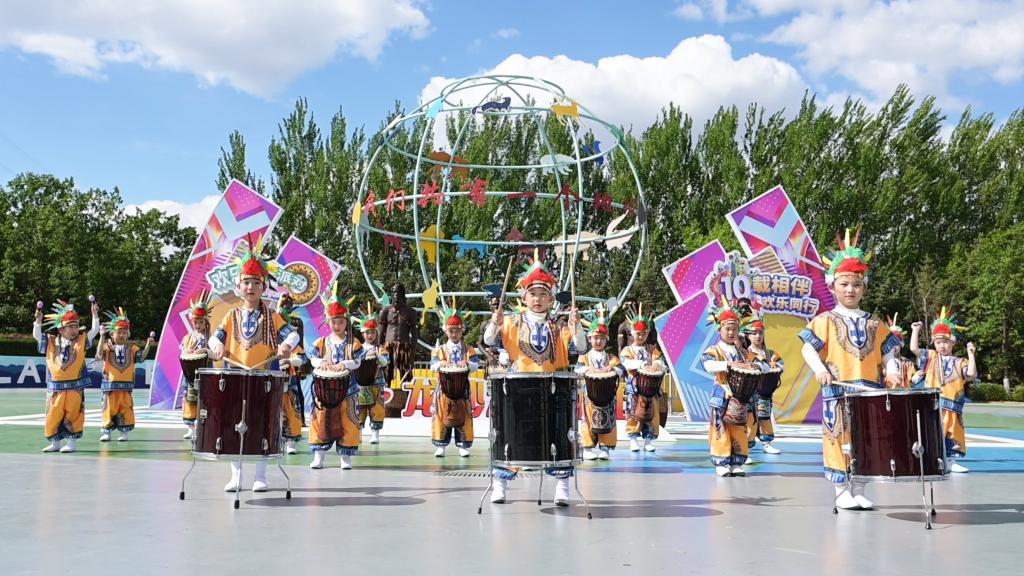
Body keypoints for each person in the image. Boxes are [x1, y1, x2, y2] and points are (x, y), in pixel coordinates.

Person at [798, 229, 901, 510]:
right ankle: (841, 490)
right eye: (844, 284)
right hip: (838, 392)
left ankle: (859, 489)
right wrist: (819, 369)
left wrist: (892, 371)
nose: (850, 290)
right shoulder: (824, 320)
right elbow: (808, 348)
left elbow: (888, 352)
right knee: (838, 439)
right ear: (832, 287)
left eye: (856, 284)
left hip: (869, 393)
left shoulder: (875, 322)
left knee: (867, 442)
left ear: (864, 288)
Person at [483, 251, 586, 505]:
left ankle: (562, 488)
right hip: (519, 390)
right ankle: (500, 485)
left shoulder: (560, 325)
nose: (537, 299)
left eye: (543, 294)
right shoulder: (511, 322)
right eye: (533, 294)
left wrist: (576, 327)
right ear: (524, 297)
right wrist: (494, 323)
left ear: (551, 298)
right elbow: (488, 340)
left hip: (553, 390)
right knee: (510, 434)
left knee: (558, 435)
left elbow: (582, 348)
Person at [208, 238, 299, 492]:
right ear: (238, 287)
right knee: (234, 424)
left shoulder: (272, 316)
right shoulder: (231, 315)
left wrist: (286, 345)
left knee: (262, 424)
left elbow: (292, 335)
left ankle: (261, 476)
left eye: (256, 283)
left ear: (263, 287)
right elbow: (215, 337)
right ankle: (236, 476)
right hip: (236, 377)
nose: (251, 287)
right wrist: (217, 345)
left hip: (264, 378)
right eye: (246, 282)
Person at [909, 307, 977, 473]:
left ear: (953, 342)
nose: (942, 345)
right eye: (938, 342)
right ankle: (931, 461)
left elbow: (970, 374)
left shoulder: (960, 362)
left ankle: (951, 461)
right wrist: (915, 331)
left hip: (953, 406)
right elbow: (914, 349)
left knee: (952, 433)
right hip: (933, 404)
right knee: (932, 432)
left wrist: (971, 354)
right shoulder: (931, 357)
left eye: (945, 342)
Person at [306, 282, 363, 470]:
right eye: (333, 322)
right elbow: (312, 358)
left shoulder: (353, 343)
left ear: (346, 321)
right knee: (319, 421)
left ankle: (346, 458)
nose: (337, 325)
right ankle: (318, 457)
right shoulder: (321, 342)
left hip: (348, 391)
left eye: (340, 321)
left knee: (350, 422)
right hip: (323, 393)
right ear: (328, 322)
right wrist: (321, 362)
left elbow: (358, 361)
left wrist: (344, 364)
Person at [34, 299, 100, 453]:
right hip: (55, 388)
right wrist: (38, 321)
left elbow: (94, 331)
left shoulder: (81, 340)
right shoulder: (51, 341)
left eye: (76, 326)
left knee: (74, 414)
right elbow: (37, 336)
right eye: (70, 327)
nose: (74, 330)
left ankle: (71, 443)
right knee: (53, 415)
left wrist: (95, 315)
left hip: (75, 388)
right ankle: (55, 443)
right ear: (61, 329)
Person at [702, 297, 755, 476]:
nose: (731, 332)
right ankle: (721, 462)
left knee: (739, 428)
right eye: (728, 329)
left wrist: (753, 366)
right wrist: (729, 364)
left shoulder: (742, 352)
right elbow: (708, 365)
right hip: (721, 394)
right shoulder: (714, 350)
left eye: (734, 329)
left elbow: (761, 365)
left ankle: (736, 461)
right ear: (719, 329)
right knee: (720, 428)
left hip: (739, 397)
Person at [95, 307, 153, 442]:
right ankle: (107, 432)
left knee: (126, 409)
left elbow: (141, 358)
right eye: (119, 332)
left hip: (126, 387)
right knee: (108, 409)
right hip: (110, 387)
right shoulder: (107, 347)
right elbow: (99, 355)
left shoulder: (132, 348)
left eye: (124, 332)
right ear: (112, 334)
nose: (121, 335)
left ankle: (124, 432)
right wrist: (101, 337)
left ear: (128, 334)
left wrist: (148, 345)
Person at [574, 304, 624, 460]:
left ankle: (605, 448)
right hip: (589, 397)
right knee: (588, 420)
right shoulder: (584, 357)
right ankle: (588, 447)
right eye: (595, 338)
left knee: (609, 420)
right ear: (589, 339)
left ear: (606, 340)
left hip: (608, 397)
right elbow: (578, 370)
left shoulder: (611, 358)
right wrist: (589, 369)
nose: (598, 341)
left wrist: (611, 368)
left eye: (602, 338)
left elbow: (621, 370)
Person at [429, 301, 477, 457]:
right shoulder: (439, 350)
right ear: (446, 331)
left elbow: (476, 365)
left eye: (457, 330)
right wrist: (440, 363)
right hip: (443, 390)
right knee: (441, 415)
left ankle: (463, 445)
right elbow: (432, 366)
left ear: (462, 330)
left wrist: (467, 363)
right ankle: (441, 446)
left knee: (464, 415)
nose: (454, 334)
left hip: (463, 389)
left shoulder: (469, 349)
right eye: (451, 331)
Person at [621, 303, 668, 453]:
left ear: (647, 333)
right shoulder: (627, 349)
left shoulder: (652, 349)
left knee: (651, 416)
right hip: (634, 389)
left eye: (644, 333)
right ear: (632, 332)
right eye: (638, 333)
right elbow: (626, 362)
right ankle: (633, 440)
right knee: (633, 415)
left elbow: (660, 361)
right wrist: (642, 365)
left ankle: (648, 440)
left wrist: (656, 365)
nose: (641, 336)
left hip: (651, 390)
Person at [742, 315, 783, 455]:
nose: (758, 336)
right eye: (754, 333)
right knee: (750, 419)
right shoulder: (745, 353)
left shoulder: (770, 353)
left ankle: (767, 443)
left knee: (765, 416)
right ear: (748, 336)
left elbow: (781, 364)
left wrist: (775, 364)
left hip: (764, 393)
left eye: (760, 333)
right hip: (749, 392)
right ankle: (745, 447)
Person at [277, 294, 310, 455]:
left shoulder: (292, 343)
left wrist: (288, 361)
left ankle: (291, 441)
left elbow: (302, 359)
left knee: (291, 411)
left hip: (289, 383)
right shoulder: (268, 340)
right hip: (272, 383)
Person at [352, 303, 390, 444]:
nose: (370, 335)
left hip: (377, 383)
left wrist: (377, 356)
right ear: (363, 333)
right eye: (367, 332)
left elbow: (385, 362)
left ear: (376, 333)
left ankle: (375, 434)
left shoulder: (381, 348)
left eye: (372, 332)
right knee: (359, 409)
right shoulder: (358, 348)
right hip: (360, 385)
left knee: (377, 409)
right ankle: (358, 433)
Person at [180, 292, 213, 440]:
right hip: (191, 376)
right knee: (190, 400)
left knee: (205, 400)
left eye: (200, 322)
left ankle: (203, 427)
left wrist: (206, 350)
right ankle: (190, 428)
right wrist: (187, 351)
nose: (198, 325)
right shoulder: (187, 338)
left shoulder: (211, 339)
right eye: (195, 322)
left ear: (205, 322)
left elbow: (216, 354)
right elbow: (182, 353)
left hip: (206, 374)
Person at [379, 283, 418, 388]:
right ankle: (384, 396)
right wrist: (379, 351)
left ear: (403, 294)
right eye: (394, 292)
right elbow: (380, 333)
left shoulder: (411, 312)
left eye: (399, 292)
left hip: (404, 347)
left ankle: (406, 397)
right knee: (386, 376)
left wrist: (412, 358)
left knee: (407, 378)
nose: (396, 294)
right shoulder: (385, 311)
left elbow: (415, 336)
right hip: (388, 347)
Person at [885, 314, 917, 389]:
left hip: (904, 393)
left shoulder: (908, 362)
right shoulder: (882, 363)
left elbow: (913, 379)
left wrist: (918, 376)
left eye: (896, 344)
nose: (893, 347)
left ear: (901, 345)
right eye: (891, 344)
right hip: (886, 393)